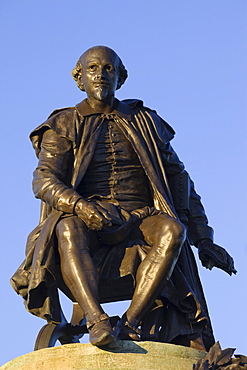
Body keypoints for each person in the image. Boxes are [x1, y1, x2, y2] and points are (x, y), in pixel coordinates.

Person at [11, 46, 236, 351]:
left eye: (109, 68)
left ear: (120, 76)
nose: (101, 75)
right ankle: (96, 320)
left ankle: (129, 324)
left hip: (141, 217)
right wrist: (78, 206)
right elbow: (44, 179)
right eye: (92, 68)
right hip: (88, 218)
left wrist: (204, 239)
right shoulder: (64, 122)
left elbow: (180, 181)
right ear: (80, 78)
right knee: (66, 228)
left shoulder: (145, 120)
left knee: (173, 230)